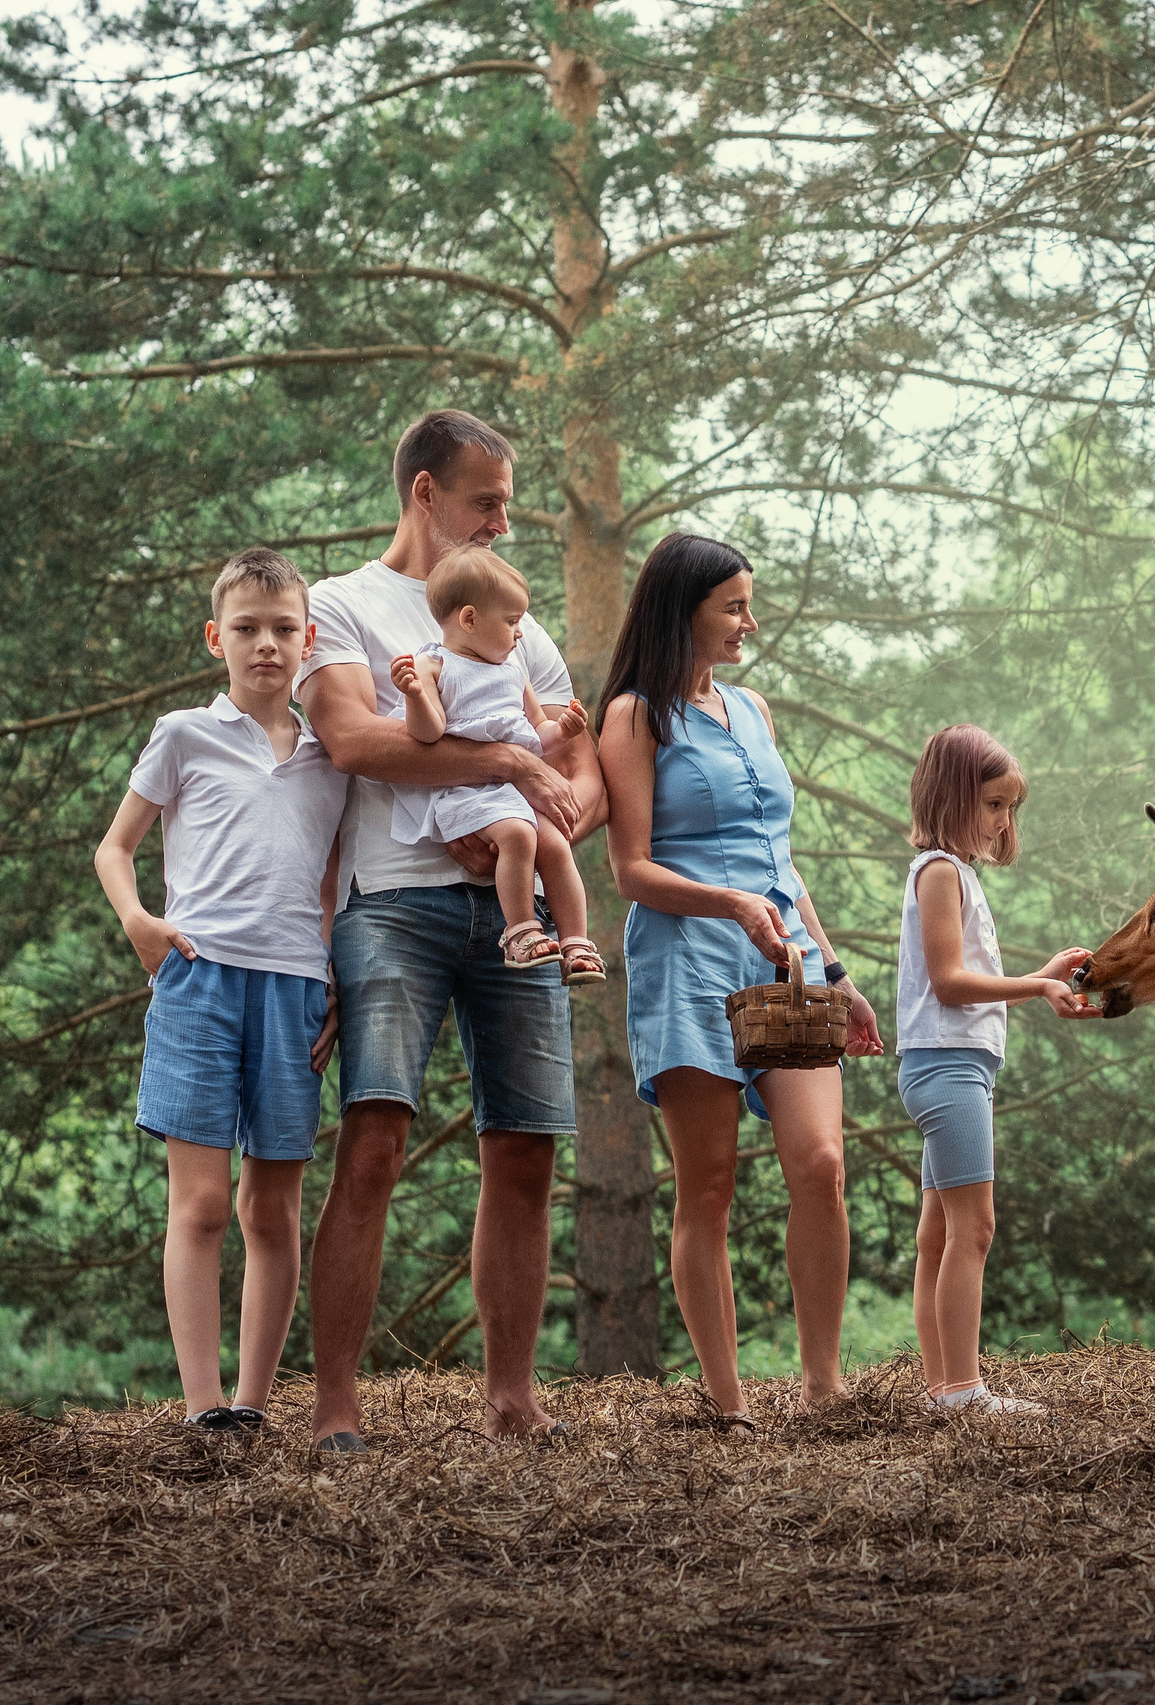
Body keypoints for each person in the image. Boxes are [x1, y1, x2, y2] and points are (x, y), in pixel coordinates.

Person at [294, 409, 605, 1448]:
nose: (503, 525)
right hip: (392, 905)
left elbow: (582, 772)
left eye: (509, 504)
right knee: (373, 1140)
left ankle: (512, 1400)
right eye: (487, 502)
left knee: (525, 1149)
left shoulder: (521, 625)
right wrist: (506, 768)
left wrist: (532, 804)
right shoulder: (340, 606)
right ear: (424, 494)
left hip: (513, 908)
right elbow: (353, 739)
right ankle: (337, 1406)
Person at [597, 532, 883, 1429]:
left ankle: (824, 1384)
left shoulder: (751, 708)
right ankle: (727, 1404)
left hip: (787, 956)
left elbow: (781, 861)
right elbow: (632, 869)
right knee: (709, 1183)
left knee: (822, 1163)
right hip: (686, 958)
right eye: (734, 606)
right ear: (683, 610)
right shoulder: (634, 716)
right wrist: (729, 904)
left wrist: (836, 971)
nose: (749, 622)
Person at [92, 548, 348, 1433]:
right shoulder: (183, 734)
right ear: (217, 638)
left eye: (284, 629)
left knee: (270, 1206)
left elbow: (332, 884)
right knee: (200, 1203)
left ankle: (252, 1402)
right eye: (247, 629)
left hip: (294, 991)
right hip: (199, 980)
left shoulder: (331, 758)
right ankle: (202, 1406)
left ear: (308, 640)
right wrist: (139, 920)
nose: (266, 645)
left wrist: (335, 974)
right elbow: (114, 846)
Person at [894, 725, 1090, 1415]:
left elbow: (957, 978)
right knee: (973, 1228)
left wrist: (1040, 976)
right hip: (947, 1067)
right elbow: (950, 981)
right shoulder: (941, 871)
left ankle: (942, 1386)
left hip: (948, 1065)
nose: (1004, 819)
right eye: (993, 803)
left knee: (940, 1233)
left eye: (1011, 806)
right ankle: (962, 1388)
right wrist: (1035, 985)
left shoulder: (953, 872)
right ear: (952, 796)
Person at [388, 544, 604, 985]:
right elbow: (428, 733)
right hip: (467, 788)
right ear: (469, 619)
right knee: (519, 834)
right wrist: (413, 696)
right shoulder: (434, 665)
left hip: (514, 791)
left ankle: (576, 943)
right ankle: (521, 932)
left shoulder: (512, 670)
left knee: (556, 846)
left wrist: (564, 730)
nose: (519, 633)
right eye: (510, 621)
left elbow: (536, 735)